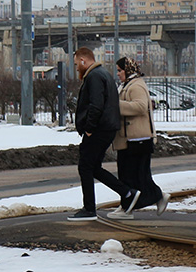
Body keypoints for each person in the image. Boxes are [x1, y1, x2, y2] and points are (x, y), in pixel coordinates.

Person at [68, 47, 138, 221]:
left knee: (85, 166)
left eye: (76, 64)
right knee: (94, 168)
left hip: (98, 129)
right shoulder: (102, 74)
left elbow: (96, 105)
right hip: (106, 128)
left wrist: (89, 128)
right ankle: (127, 192)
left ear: (83, 61)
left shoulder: (94, 76)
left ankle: (89, 209)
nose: (76, 68)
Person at [106, 57, 168, 219]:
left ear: (128, 70)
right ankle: (148, 199)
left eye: (120, 70)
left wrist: (115, 105)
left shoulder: (136, 85)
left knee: (134, 175)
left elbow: (140, 106)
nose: (118, 74)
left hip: (138, 139)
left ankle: (128, 208)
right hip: (129, 139)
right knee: (130, 175)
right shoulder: (127, 85)